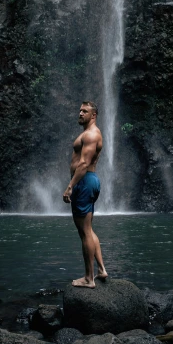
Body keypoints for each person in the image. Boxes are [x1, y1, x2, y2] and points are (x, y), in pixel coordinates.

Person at [63, 101, 108, 288]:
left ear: (94, 115)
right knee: (88, 229)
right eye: (80, 110)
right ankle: (101, 270)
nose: (80, 113)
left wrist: (70, 186)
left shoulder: (91, 134)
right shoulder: (91, 133)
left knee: (84, 232)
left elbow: (83, 163)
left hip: (84, 181)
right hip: (90, 181)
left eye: (85, 111)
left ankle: (89, 278)